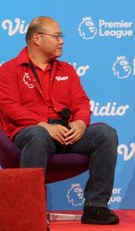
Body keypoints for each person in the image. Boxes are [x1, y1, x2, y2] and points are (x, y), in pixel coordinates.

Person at [0, 16, 120, 225]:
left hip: (65, 132)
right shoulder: (9, 71)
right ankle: (28, 212)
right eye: (56, 36)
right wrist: (43, 124)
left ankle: (96, 206)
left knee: (105, 134)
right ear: (36, 38)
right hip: (29, 132)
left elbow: (82, 101)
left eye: (61, 36)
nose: (61, 41)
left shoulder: (67, 70)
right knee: (38, 135)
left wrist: (81, 122)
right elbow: (9, 106)